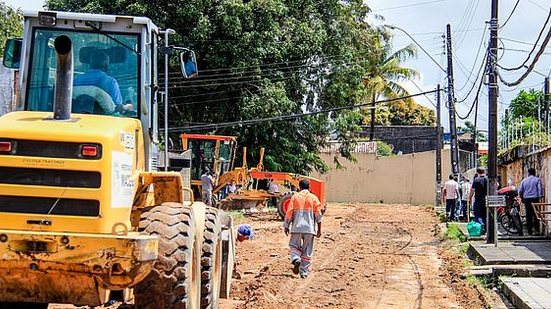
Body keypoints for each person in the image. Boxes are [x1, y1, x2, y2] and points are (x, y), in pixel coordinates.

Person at [283, 179, 322, 279]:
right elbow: (318, 215)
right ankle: (303, 272)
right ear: (309, 187)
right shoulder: (314, 198)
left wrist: (286, 225)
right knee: (307, 250)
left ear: (299, 187)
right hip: (309, 229)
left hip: (296, 227)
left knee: (293, 245)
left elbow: (289, 212)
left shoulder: (295, 197)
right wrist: (319, 229)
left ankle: (296, 259)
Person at [519, 168, 544, 235]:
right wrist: (540, 197)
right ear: (534, 173)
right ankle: (536, 230)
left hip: (527, 199)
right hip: (535, 199)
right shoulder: (537, 180)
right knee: (536, 214)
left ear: (528, 173)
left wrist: (522, 198)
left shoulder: (524, 180)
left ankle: (529, 231)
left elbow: (520, 191)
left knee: (528, 215)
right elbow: (540, 190)